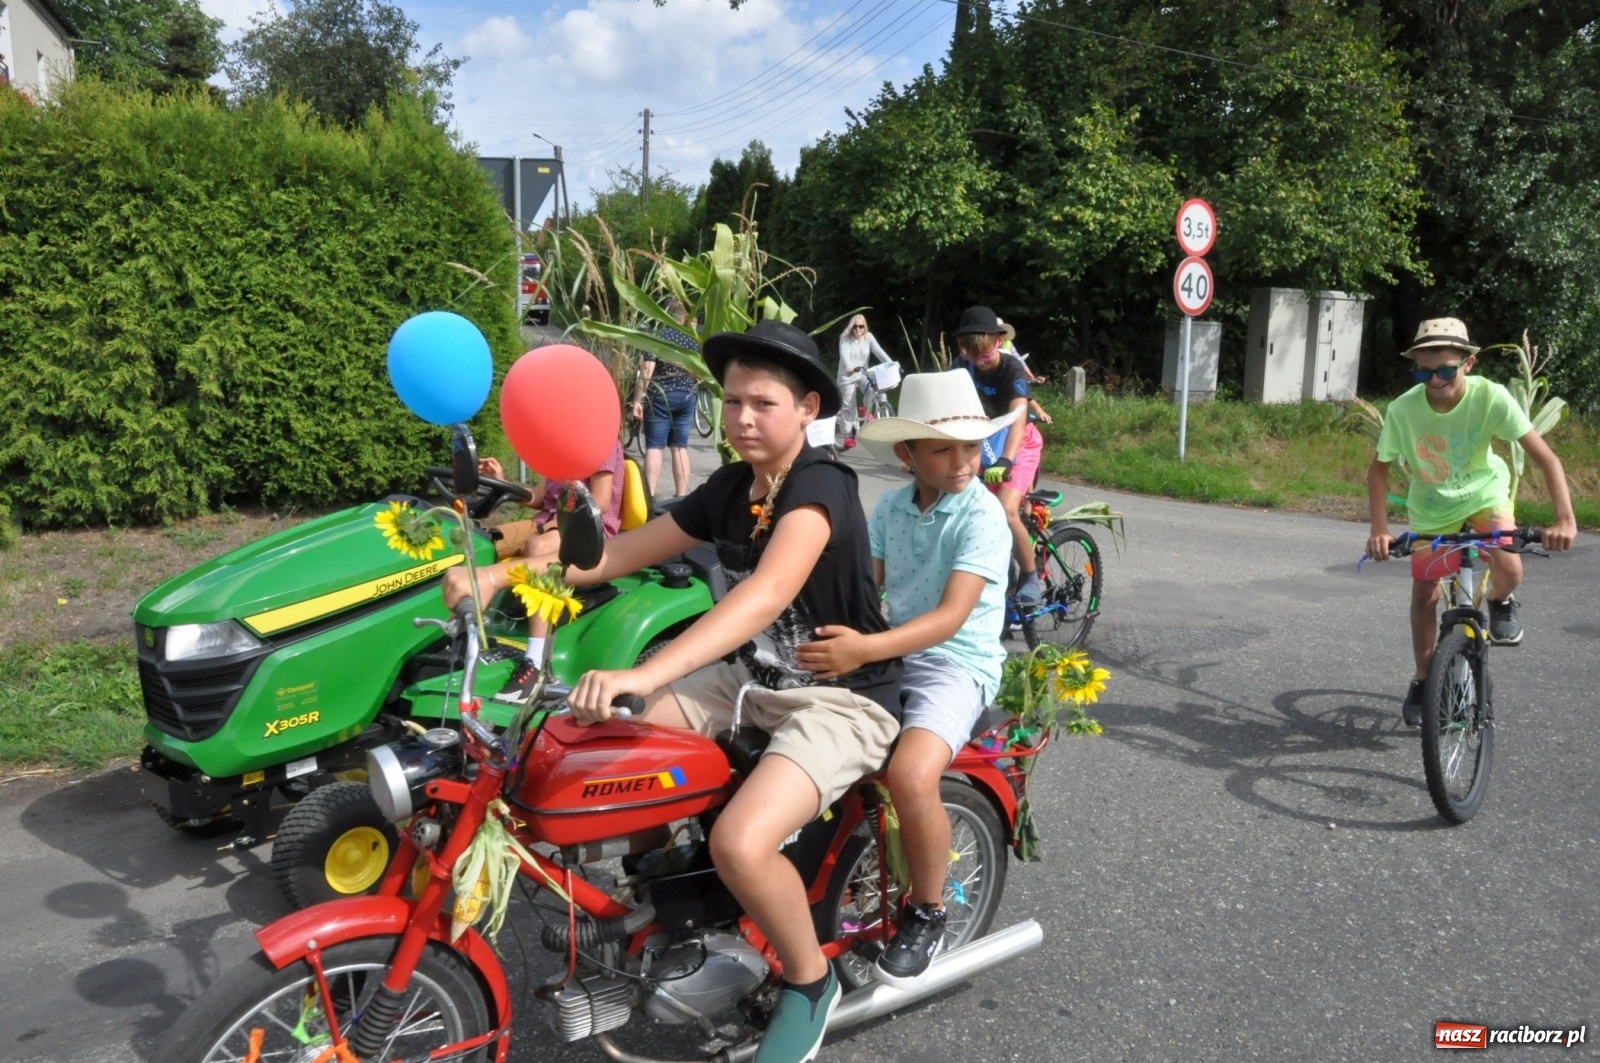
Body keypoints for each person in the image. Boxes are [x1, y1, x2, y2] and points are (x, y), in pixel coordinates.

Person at [565, 319, 902, 1063]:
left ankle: (809, 982)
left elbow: (764, 595)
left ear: (809, 408)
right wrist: (505, 570)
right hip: (755, 680)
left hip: (842, 697)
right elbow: (620, 551)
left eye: (763, 403)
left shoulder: (819, 485)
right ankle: (667, 899)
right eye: (733, 401)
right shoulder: (732, 486)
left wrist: (644, 670)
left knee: (742, 841)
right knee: (618, 740)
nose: (743, 418)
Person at [794, 369, 1015, 988]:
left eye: (970, 446)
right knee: (799, 729)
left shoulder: (983, 517)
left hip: (956, 664)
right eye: (942, 449)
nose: (961, 461)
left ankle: (928, 910)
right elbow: (868, 589)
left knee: (911, 774)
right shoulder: (891, 506)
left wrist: (863, 649)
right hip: (894, 651)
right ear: (907, 454)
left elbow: (949, 620)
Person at [1365, 317, 1577, 726]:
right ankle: (1424, 678)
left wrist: (1565, 519)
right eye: (1424, 372)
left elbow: (1547, 458)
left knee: (1510, 566)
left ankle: (1500, 600)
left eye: (1445, 370)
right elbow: (1378, 471)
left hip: (1484, 495)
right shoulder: (1404, 409)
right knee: (1424, 593)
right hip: (1431, 507)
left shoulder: (1490, 398)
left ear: (1469, 363)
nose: (1435, 380)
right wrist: (1379, 530)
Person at [441, 442, 626, 704]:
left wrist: (553, 525)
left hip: (588, 531)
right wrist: (502, 482)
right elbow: (539, 498)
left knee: (538, 547)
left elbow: (601, 501)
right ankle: (461, 634)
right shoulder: (557, 442)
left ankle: (536, 663)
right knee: (479, 542)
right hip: (547, 523)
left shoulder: (601, 442)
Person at [954, 305, 1047, 604]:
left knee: (1006, 510)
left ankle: (1030, 575)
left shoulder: (1011, 369)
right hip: (987, 440)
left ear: (998, 341)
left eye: (986, 352)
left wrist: (1007, 460)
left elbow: (1018, 421)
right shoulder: (960, 366)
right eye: (972, 353)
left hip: (1020, 442)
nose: (980, 361)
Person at [631, 297, 698, 497]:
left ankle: (649, 496)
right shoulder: (693, 340)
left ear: (666, 314)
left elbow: (647, 369)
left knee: (655, 447)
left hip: (661, 397)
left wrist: (637, 400)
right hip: (687, 397)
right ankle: (681, 495)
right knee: (679, 448)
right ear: (685, 317)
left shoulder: (658, 337)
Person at [835, 314, 893, 449]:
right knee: (848, 405)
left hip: (862, 374)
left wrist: (891, 363)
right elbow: (844, 356)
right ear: (851, 327)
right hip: (847, 375)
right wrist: (849, 366)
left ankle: (866, 408)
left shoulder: (868, 337)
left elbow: (879, 351)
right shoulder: (845, 339)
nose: (858, 329)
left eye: (861, 326)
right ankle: (848, 435)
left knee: (873, 389)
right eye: (855, 326)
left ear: (864, 327)